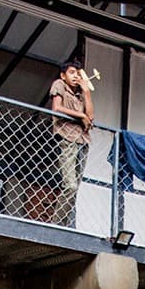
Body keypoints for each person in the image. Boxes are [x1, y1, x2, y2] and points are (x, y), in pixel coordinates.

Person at [47, 58, 94, 224]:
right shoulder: (59, 84)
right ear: (63, 74)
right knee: (71, 185)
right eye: (71, 72)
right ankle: (57, 223)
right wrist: (81, 116)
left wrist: (87, 92)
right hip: (67, 137)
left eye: (78, 73)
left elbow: (91, 116)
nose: (75, 76)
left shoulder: (81, 93)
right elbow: (57, 108)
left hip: (83, 140)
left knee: (76, 188)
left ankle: (63, 223)